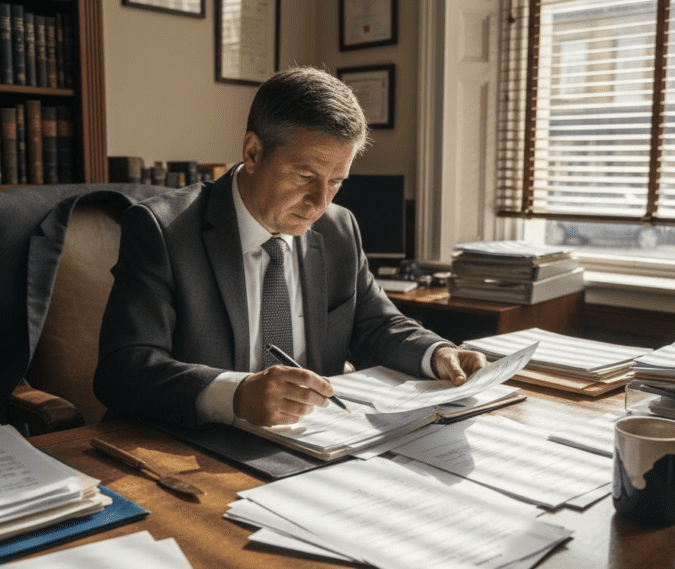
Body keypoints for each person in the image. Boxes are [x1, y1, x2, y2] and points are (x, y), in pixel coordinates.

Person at [94, 67, 487, 429]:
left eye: (336, 181)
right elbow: (123, 371)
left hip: (315, 442)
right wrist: (235, 395)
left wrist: (437, 354)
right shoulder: (164, 230)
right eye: (305, 176)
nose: (319, 201)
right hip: (191, 447)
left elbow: (377, 324)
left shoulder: (339, 228)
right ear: (252, 152)